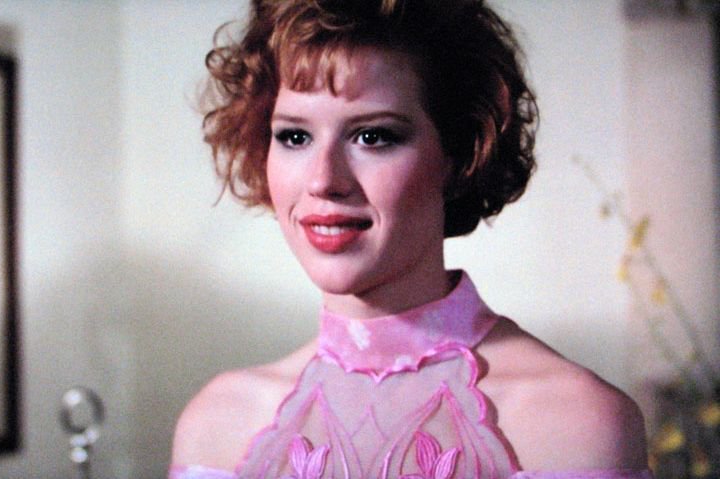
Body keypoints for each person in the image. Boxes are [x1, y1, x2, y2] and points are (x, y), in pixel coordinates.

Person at [171, 0, 652, 477]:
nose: (323, 180)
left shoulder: (574, 423)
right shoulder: (219, 425)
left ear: (460, 154)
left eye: (372, 136)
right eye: (295, 137)